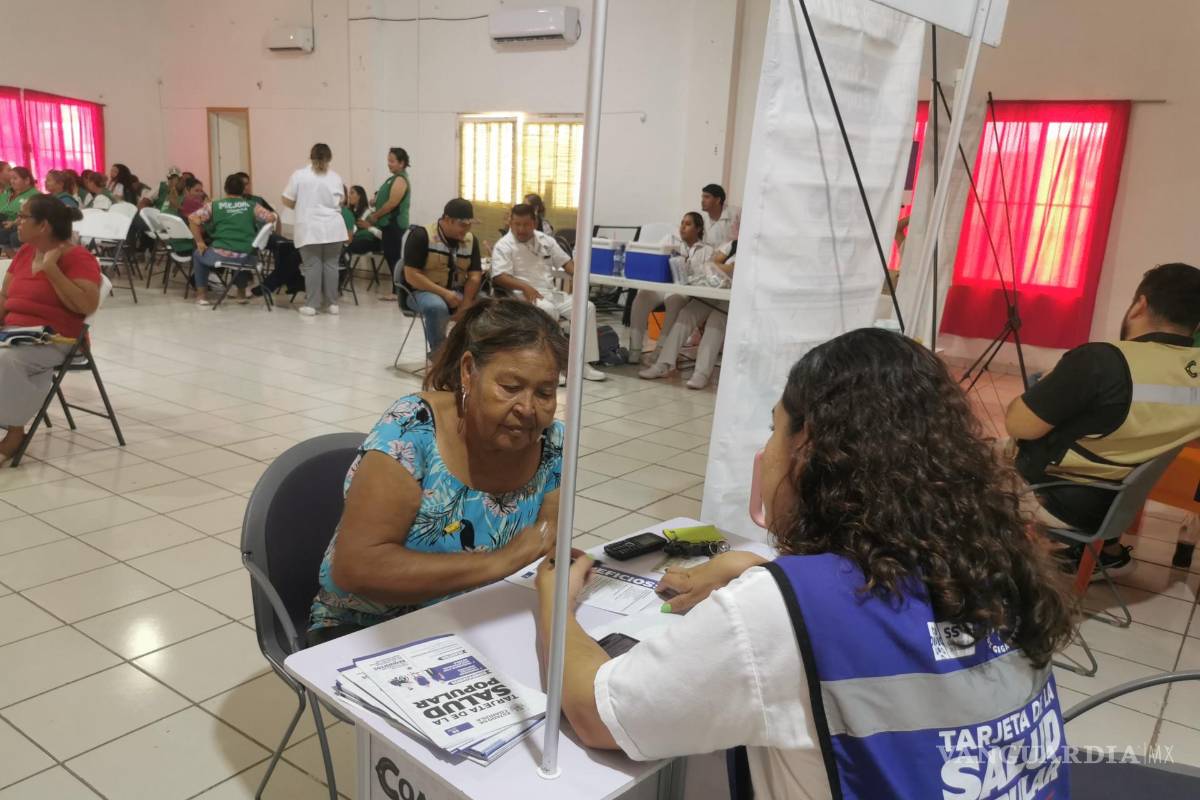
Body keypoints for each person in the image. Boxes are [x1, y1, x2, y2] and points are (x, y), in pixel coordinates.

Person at [534, 328, 1074, 799]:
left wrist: (555, 600)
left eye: (775, 430)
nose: (768, 449)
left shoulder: (783, 611)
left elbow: (596, 712)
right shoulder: (997, 560)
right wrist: (752, 563)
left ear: (808, 446)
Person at [308, 298, 568, 643]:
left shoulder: (551, 441)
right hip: (369, 627)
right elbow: (356, 567)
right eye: (510, 387)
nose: (528, 408)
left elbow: (546, 544)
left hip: (483, 618)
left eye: (545, 392)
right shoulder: (410, 431)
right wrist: (498, 562)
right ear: (468, 372)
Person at [1006, 262, 1200, 575]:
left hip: (1055, 495)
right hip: (1118, 502)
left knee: (959, 463)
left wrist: (1049, 385)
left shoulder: (1101, 360)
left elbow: (1019, 425)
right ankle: (1108, 555)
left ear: (1140, 305)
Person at [0, 195, 101, 465]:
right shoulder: (24, 252)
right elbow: (4, 295)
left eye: (23, 217)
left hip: (57, 338)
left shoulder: (79, 258)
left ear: (43, 225)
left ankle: (14, 431)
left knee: (5, 359)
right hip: (14, 334)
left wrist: (50, 269)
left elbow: (85, 305)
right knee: (7, 355)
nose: (17, 222)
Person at [491, 203, 606, 382]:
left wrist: (578, 275)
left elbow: (568, 264)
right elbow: (499, 277)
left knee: (586, 308)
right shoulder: (504, 245)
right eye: (516, 224)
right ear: (510, 223)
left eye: (525, 224)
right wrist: (525, 287)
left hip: (550, 292)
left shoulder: (546, 240)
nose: (520, 229)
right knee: (548, 310)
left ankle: (582, 364)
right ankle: (555, 366)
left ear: (534, 222)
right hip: (520, 293)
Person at [638, 242, 735, 389]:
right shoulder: (733, 245)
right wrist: (721, 267)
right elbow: (713, 263)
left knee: (716, 320)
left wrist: (719, 267)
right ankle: (663, 364)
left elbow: (726, 268)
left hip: (734, 297)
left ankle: (701, 373)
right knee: (686, 313)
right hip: (715, 289)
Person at [626, 212, 712, 364]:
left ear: (698, 229)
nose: (683, 227)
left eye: (688, 224)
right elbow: (655, 258)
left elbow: (707, 275)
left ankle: (661, 350)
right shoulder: (669, 240)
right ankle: (634, 349)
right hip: (663, 284)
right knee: (642, 297)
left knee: (674, 299)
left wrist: (688, 266)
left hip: (685, 290)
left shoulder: (706, 250)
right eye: (682, 223)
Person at [400, 198, 483, 354]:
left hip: (457, 293)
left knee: (487, 305)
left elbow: (474, 276)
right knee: (436, 306)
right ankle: (439, 354)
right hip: (422, 293)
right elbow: (411, 275)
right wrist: (444, 293)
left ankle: (471, 352)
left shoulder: (471, 241)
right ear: (447, 220)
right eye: (462, 225)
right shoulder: (421, 235)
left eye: (469, 225)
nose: (466, 230)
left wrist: (466, 303)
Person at [187, 173, 277, 306]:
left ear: (225, 189)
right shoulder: (252, 205)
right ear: (242, 190)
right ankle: (241, 294)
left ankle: (202, 295)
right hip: (247, 257)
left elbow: (192, 219)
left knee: (198, 254)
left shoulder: (214, 205)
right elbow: (271, 218)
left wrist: (200, 242)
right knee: (239, 256)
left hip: (220, 256)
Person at [281, 143, 347, 316]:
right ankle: (332, 304)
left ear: (310, 157)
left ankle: (311, 305)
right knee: (331, 265)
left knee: (312, 266)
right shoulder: (336, 177)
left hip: (309, 226)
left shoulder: (299, 175)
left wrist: (301, 204)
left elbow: (286, 199)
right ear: (329, 158)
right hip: (334, 226)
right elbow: (341, 201)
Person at [368, 147, 411, 301]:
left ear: (402, 163)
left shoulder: (400, 179)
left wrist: (375, 215)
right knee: (390, 255)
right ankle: (396, 290)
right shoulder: (393, 179)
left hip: (394, 224)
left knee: (394, 257)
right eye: (388, 161)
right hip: (388, 224)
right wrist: (375, 200)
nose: (389, 164)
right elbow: (385, 198)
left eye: (392, 161)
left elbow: (393, 203)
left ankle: (397, 292)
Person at [0, 168, 38, 252]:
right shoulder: (9, 193)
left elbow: (30, 216)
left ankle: (20, 259)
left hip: (23, 226)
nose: (12, 181)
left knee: (14, 237)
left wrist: (14, 223)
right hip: (7, 224)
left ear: (27, 180)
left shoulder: (35, 195)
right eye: (11, 179)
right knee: (2, 234)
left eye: (15, 178)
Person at [343, 185, 380, 256]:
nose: (349, 196)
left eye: (352, 193)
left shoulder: (369, 212)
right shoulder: (348, 212)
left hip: (367, 241)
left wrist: (368, 227)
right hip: (353, 239)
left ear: (359, 196)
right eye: (348, 193)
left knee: (347, 247)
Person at [700, 182, 740, 248]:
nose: (702, 201)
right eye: (702, 197)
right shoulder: (702, 220)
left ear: (717, 200)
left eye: (707, 197)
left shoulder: (736, 213)